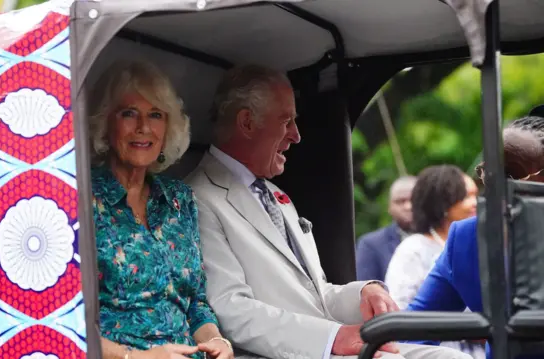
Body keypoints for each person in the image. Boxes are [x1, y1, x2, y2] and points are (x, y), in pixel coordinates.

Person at [186, 64, 473, 359]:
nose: (296, 136)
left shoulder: (275, 194)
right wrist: (334, 338)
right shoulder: (197, 197)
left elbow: (317, 295)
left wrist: (364, 294)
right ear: (246, 123)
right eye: (286, 122)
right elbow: (230, 309)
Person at [89, 61, 234, 359]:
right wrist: (136, 358)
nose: (143, 127)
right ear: (105, 122)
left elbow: (195, 303)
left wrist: (218, 341)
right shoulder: (77, 200)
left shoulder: (180, 200)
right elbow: (64, 321)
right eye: (129, 113)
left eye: (155, 114)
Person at [405, 115, 544, 358]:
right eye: (487, 172)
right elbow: (411, 331)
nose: (493, 185)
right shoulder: (466, 239)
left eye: (510, 175)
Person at [384, 165, 482, 359]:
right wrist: (471, 330)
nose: (475, 203)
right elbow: (400, 311)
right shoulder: (413, 249)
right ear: (443, 204)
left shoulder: (473, 241)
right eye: (465, 196)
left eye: (476, 195)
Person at [356, 176, 417, 281]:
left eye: (414, 200)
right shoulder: (371, 244)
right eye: (400, 201)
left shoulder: (442, 238)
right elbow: (366, 288)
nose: (408, 206)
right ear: (390, 207)